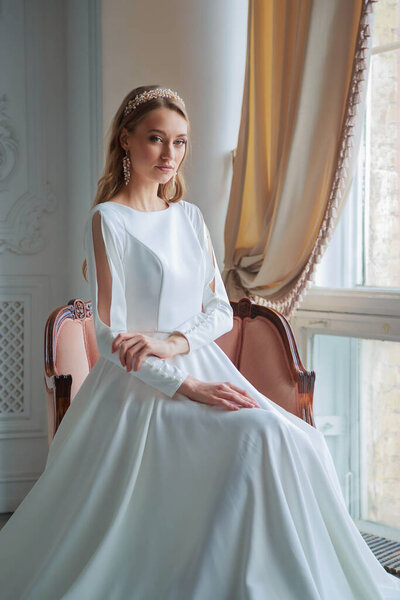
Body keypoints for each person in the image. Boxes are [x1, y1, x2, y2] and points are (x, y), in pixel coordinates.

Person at [0, 85, 399, 600]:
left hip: (198, 363)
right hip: (140, 389)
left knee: (301, 440)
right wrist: (182, 382)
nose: (170, 155)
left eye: (181, 142)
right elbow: (107, 330)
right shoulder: (108, 220)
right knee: (254, 435)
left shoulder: (189, 217)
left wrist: (175, 344)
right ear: (125, 140)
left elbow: (218, 312)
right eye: (155, 139)